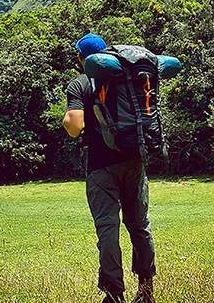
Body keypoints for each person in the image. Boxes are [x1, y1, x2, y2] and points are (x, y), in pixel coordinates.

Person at [63, 33, 157, 303]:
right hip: (134, 161)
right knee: (140, 225)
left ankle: (114, 294)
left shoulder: (80, 84)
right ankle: (146, 290)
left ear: (82, 58)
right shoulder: (125, 78)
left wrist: (66, 120)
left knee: (108, 229)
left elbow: (75, 126)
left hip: (101, 167)